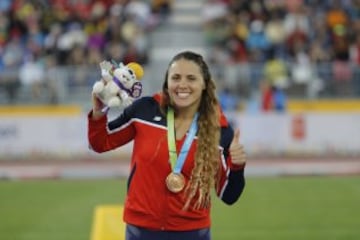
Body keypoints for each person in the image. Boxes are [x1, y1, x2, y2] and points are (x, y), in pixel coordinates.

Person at [88, 51, 246, 240]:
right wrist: (98, 114)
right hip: (141, 230)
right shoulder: (145, 110)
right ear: (167, 82)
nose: (182, 85)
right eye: (176, 77)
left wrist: (237, 166)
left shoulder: (218, 129)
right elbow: (100, 143)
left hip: (192, 233)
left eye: (191, 78)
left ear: (204, 84)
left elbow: (228, 195)